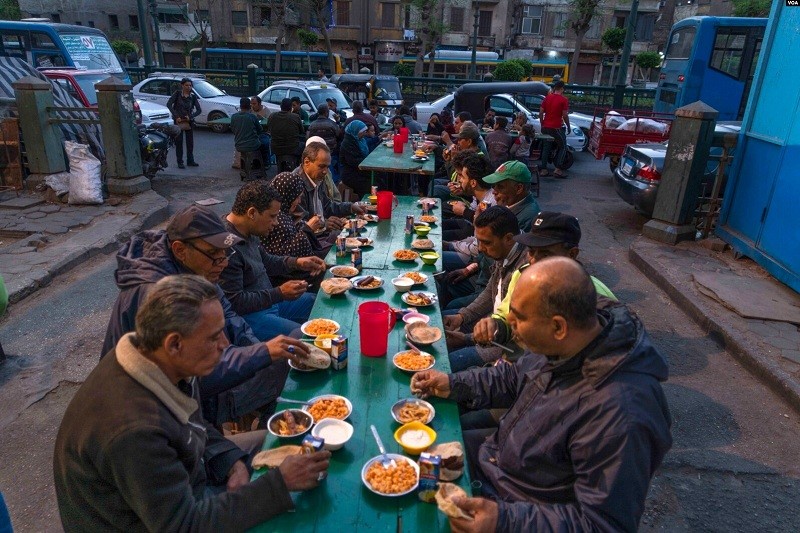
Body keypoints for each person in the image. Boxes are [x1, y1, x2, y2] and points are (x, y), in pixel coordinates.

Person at [411, 257, 672, 532]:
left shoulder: (621, 413)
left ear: (558, 327)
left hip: (519, 506)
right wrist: (453, 383)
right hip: (499, 461)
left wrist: (503, 521)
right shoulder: (569, 342)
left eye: (519, 318)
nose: (509, 325)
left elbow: (603, 525)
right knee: (414, 452)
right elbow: (511, 376)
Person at [55, 275, 331, 532]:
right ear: (174, 344)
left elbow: (191, 423)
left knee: (276, 443)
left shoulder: (158, 360)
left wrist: (228, 458)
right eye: (213, 337)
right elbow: (184, 525)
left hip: (190, 475)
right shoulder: (134, 431)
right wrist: (279, 485)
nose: (225, 345)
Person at [101, 205, 310, 427]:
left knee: (289, 347)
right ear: (180, 250)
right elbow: (197, 372)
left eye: (224, 252)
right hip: (161, 406)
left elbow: (231, 318)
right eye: (213, 254)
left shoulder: (198, 268)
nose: (224, 262)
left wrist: (255, 349)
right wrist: (260, 355)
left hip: (194, 378)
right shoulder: (162, 295)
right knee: (283, 369)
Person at [474, 212, 617, 353]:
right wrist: (494, 325)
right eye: (531, 251)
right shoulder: (522, 275)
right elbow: (505, 317)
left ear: (572, 254)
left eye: (545, 254)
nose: (534, 260)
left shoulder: (592, 293)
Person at [220, 182, 325, 341]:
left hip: (270, 304)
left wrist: (297, 262)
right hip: (251, 316)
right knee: (304, 337)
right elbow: (235, 301)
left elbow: (266, 261)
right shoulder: (226, 247)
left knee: (317, 302)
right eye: (272, 216)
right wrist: (279, 293)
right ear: (252, 213)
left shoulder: (249, 230)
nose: (276, 222)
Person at [442, 206, 527, 371]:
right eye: (479, 241)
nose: (480, 248)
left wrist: (467, 338)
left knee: (447, 364)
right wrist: (461, 317)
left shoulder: (525, 270)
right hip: (492, 328)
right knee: (439, 323)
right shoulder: (504, 250)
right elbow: (490, 292)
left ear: (508, 238)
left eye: (486, 242)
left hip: (506, 348)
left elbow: (512, 335)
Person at [294, 142, 365, 234]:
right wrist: (324, 225)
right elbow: (298, 224)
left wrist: (350, 207)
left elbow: (327, 206)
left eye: (327, 167)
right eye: (322, 166)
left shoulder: (317, 178)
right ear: (307, 162)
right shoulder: (296, 185)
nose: (325, 171)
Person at [260, 171, 327, 258]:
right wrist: (308, 229)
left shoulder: (284, 212)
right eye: (297, 197)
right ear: (288, 195)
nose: (299, 201)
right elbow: (286, 255)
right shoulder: (277, 219)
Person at [166, 77, 201, 169]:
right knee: (179, 142)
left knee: (190, 142)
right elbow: (169, 104)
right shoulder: (177, 94)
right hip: (178, 121)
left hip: (189, 121)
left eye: (190, 85)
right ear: (182, 85)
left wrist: (191, 116)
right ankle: (180, 161)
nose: (188, 87)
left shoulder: (192, 96)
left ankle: (190, 160)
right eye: (186, 85)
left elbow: (199, 110)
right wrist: (176, 116)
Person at [539, 80, 570, 178]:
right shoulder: (564, 100)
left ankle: (543, 169)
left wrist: (542, 123)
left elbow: (541, 112)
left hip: (546, 126)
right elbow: (565, 115)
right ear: (562, 89)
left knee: (546, 147)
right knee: (563, 146)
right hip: (556, 127)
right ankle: (558, 169)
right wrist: (568, 126)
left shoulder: (547, 98)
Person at [230, 97, 268, 171]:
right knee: (264, 143)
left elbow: (233, 130)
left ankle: (246, 166)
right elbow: (260, 130)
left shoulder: (234, 117)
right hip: (252, 145)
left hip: (239, 145)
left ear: (240, 106)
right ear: (250, 106)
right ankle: (261, 165)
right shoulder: (252, 117)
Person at [267, 98, 304, 172]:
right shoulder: (295, 117)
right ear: (291, 107)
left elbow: (269, 128)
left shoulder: (272, 116)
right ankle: (298, 168)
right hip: (292, 148)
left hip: (276, 148)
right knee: (303, 144)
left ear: (280, 106)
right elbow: (301, 131)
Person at [339, 120, 372, 197]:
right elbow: (354, 162)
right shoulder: (348, 143)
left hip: (360, 170)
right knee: (371, 184)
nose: (364, 133)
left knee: (380, 177)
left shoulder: (360, 140)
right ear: (356, 131)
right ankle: (366, 205)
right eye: (362, 131)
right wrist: (368, 162)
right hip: (350, 174)